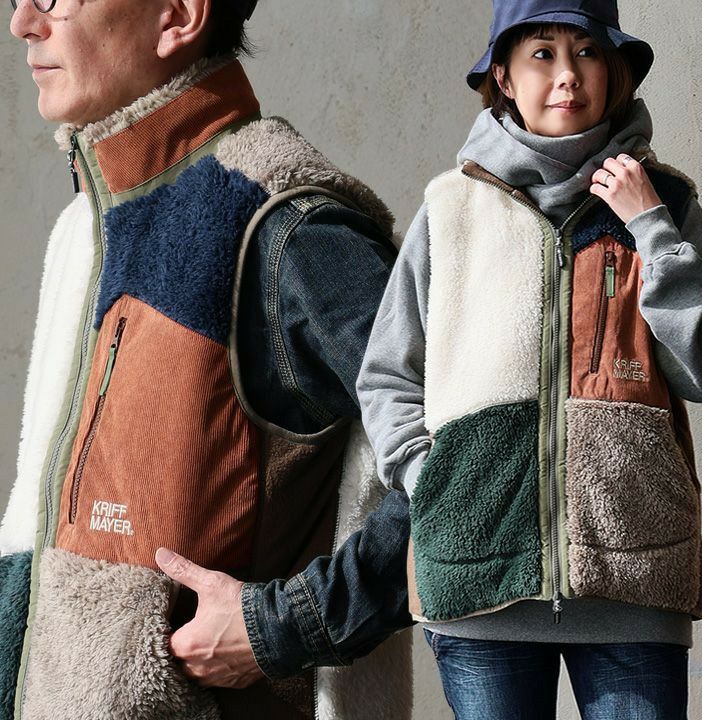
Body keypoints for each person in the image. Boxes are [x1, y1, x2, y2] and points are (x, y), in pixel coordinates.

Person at [0, 1, 414, 718]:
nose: (24, 23)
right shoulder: (87, 224)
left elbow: (477, 460)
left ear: (179, 15)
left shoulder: (282, 224)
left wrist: (283, 627)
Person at [357, 1, 702, 718]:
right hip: (479, 585)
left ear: (612, 70)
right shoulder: (450, 208)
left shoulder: (668, 204)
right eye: (542, 54)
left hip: (633, 580)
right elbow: (388, 374)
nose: (567, 75)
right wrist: (434, 481)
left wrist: (649, 225)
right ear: (504, 76)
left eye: (586, 52)